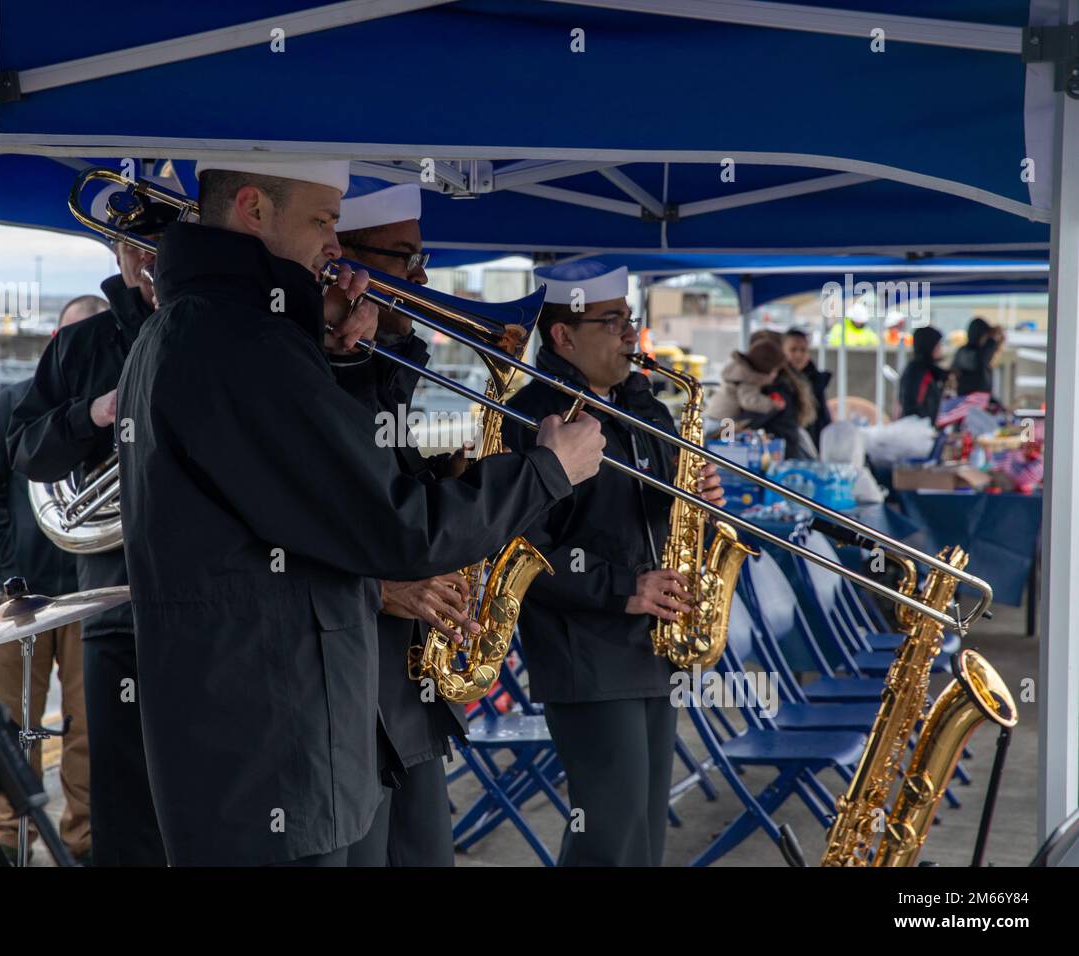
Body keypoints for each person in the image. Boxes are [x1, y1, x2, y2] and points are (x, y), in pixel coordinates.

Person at [115, 157, 605, 866]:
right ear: (253, 208)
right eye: (322, 221)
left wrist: (340, 359)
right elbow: (397, 525)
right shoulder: (242, 340)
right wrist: (547, 471)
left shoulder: (220, 328)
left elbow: (315, 498)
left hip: (265, 739)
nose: (333, 247)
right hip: (273, 746)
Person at [501, 260, 724, 866]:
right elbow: (521, 548)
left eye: (630, 319)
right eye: (613, 321)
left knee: (646, 828)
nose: (632, 335)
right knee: (609, 829)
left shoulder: (645, 409)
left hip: (653, 639)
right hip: (586, 648)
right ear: (563, 337)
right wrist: (626, 587)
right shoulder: (530, 416)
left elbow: (653, 521)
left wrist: (694, 503)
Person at [7, 173, 182, 867]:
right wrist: (96, 413)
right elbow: (26, 450)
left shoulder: (229, 333)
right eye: (134, 245)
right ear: (114, 250)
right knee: (124, 809)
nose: (150, 259)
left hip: (221, 609)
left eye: (164, 242)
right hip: (115, 609)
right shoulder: (82, 347)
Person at [332, 182, 469, 867]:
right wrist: (380, 586)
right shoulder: (305, 369)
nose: (422, 278)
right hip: (345, 702)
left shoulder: (379, 365)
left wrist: (448, 481)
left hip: (404, 690)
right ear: (343, 261)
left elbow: (379, 494)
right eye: (406, 258)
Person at [0, 294, 104, 865]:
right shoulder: (12, 404)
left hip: (92, 597)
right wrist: (10, 557)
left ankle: (84, 842)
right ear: (54, 344)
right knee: (7, 725)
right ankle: (8, 838)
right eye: (72, 341)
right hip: (19, 596)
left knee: (89, 732)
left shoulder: (119, 409)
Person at [782, 328, 831, 446]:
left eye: (803, 350)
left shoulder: (816, 381)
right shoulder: (776, 382)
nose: (798, 355)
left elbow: (823, 418)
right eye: (793, 350)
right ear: (782, 351)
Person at [898, 326, 948, 425]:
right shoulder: (918, 371)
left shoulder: (926, 369)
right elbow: (913, 405)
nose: (940, 349)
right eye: (937, 345)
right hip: (917, 431)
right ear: (929, 346)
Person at [952, 316, 1003, 398]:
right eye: (985, 336)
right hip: (967, 401)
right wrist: (992, 341)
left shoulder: (979, 353)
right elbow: (979, 361)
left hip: (977, 400)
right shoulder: (966, 352)